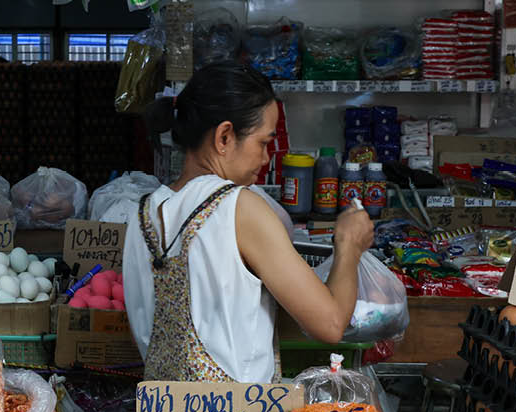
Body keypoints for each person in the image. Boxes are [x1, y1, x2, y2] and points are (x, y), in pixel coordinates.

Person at [124, 61, 374, 384]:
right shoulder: (239, 208)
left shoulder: (141, 216)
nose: (267, 158)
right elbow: (330, 323)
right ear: (225, 137)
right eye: (264, 142)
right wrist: (349, 246)